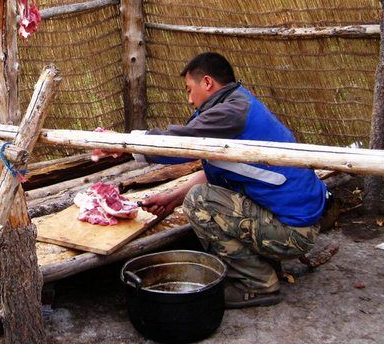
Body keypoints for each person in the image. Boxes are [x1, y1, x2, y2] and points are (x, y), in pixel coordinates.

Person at [138, 52, 327, 309]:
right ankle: (265, 261)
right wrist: (172, 198)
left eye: (189, 89)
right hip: (300, 220)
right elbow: (219, 168)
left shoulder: (230, 112)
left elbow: (179, 145)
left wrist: (123, 145)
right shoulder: (239, 102)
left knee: (199, 202)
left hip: (294, 232)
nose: (189, 100)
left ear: (207, 83)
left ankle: (258, 284)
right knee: (204, 194)